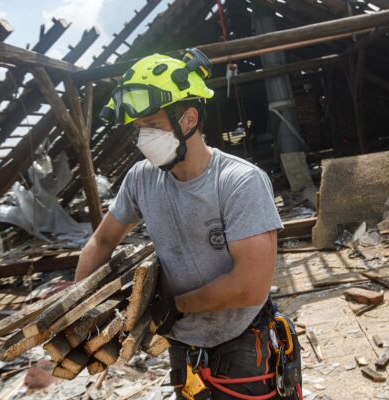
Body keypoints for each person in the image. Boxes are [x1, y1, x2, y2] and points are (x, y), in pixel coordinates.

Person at [75, 48, 295, 399]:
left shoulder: (239, 182)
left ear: (189, 119)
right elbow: (101, 242)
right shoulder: (141, 179)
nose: (143, 138)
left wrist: (175, 305)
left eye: (152, 125)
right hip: (181, 342)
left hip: (240, 343)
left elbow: (250, 286)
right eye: (138, 128)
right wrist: (79, 310)